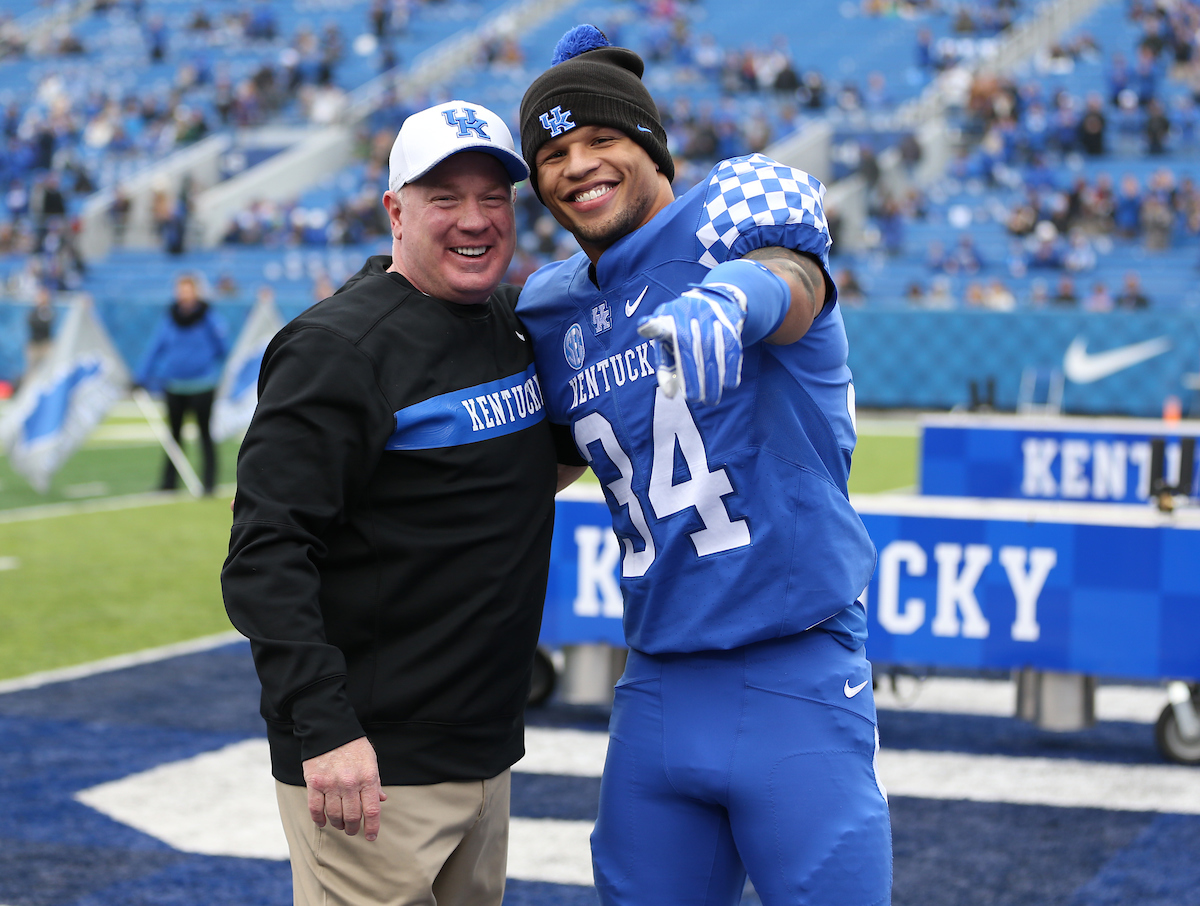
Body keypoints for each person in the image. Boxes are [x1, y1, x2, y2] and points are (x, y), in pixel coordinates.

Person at [516, 26, 891, 906]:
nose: (578, 165)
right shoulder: (554, 308)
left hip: (793, 666)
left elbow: (789, 276)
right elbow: (546, 460)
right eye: (556, 151)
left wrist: (734, 297)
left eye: (602, 139)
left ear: (651, 147)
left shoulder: (727, 222)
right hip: (653, 681)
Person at [222, 100, 566, 906]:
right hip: (373, 766)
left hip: (483, 749)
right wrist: (326, 728)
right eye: (444, 198)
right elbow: (266, 555)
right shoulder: (336, 350)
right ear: (395, 210)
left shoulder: (507, 327)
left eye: (494, 198)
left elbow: (521, 471)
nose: (475, 220)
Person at [135, 273, 227, 494]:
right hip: (175, 385)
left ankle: (209, 483)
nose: (183, 295)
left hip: (202, 385)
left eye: (188, 289)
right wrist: (140, 376)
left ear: (196, 291)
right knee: (173, 437)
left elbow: (223, 347)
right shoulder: (170, 318)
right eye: (180, 290)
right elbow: (155, 347)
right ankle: (169, 483)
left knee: (205, 434)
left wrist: (204, 365)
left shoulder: (209, 317)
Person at [23, 285, 55, 384]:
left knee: (49, 367)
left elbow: (47, 324)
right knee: (31, 370)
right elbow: (33, 323)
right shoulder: (33, 312)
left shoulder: (49, 310)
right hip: (34, 344)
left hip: (45, 344)